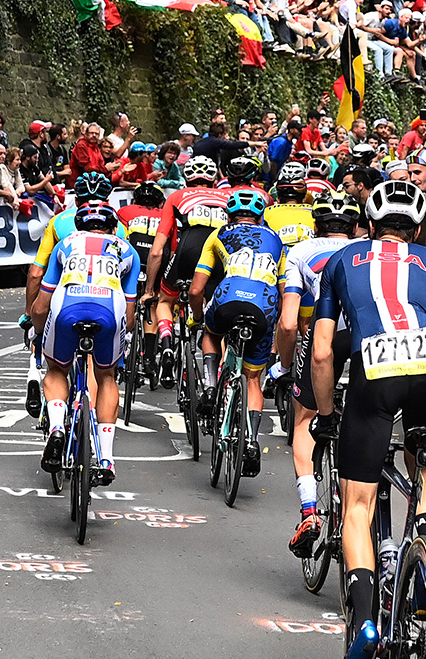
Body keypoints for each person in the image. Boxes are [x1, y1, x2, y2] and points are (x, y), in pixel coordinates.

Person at [311, 179, 426, 659]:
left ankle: (367, 619)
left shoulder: (342, 261)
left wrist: (328, 414)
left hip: (371, 373)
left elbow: (323, 354)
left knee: (357, 505)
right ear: (418, 230)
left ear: (368, 227)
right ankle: (422, 571)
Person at [31, 201, 142, 484]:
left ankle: (57, 427)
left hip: (68, 307)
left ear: (79, 227)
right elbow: (129, 317)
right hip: (109, 310)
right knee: (106, 377)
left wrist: (37, 332)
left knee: (56, 370)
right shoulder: (126, 250)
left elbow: (42, 305)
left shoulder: (65, 244)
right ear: (114, 228)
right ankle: (106, 458)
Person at [280, 194, 362, 557]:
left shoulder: (301, 252)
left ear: (316, 225)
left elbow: (287, 322)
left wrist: (284, 366)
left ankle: (310, 510)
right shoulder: (369, 248)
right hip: (368, 336)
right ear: (357, 227)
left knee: (305, 421)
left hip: (324, 334)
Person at [188, 188, 285, 481]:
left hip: (229, 296)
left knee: (211, 333)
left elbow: (195, 289)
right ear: (261, 216)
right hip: (265, 304)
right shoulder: (277, 240)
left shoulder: (219, 234)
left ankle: (209, 384)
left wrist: (197, 317)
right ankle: (252, 440)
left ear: (230, 215)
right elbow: (284, 292)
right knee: (253, 377)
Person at [144, 156, 230, 385]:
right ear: (213, 178)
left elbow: (157, 250)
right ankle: (218, 377)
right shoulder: (228, 196)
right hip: (220, 251)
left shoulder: (176, 196)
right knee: (218, 317)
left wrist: (149, 288)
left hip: (188, 248)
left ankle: (166, 341)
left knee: (165, 301)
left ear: (186, 177)